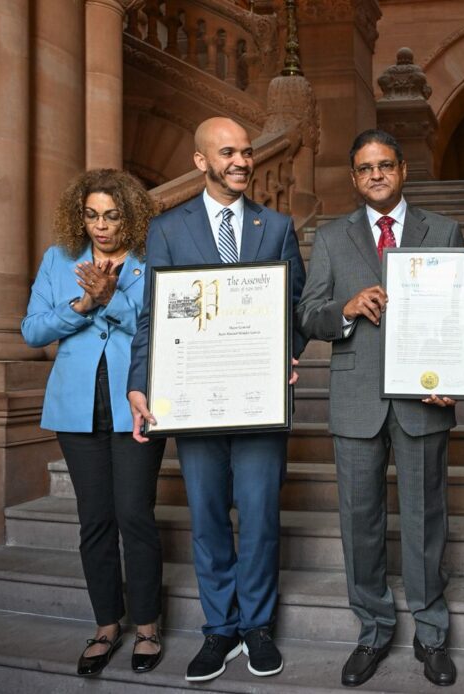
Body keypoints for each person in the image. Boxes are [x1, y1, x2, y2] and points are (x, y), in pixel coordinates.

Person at [127, 116, 306, 683]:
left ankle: (257, 626)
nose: (242, 161)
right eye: (228, 152)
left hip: (258, 399)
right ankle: (220, 629)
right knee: (206, 517)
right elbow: (153, 316)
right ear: (201, 161)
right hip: (194, 399)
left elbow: (295, 307)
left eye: (247, 152)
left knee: (259, 516)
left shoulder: (276, 226)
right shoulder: (167, 230)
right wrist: (139, 383)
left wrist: (287, 351)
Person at [297, 129, 461, 688]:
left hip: (424, 397)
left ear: (403, 169)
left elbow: (461, 311)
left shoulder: (442, 230)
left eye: (385, 165)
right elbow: (307, 314)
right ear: (353, 177)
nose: (376, 175)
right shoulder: (331, 236)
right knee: (359, 520)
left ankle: (431, 633)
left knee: (425, 519)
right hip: (356, 396)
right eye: (365, 168)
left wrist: (455, 376)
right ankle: (372, 628)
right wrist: (343, 310)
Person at [21, 168, 167, 677]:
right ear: (78, 217)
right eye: (91, 216)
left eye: (112, 215)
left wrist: (111, 298)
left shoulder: (151, 261)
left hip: (137, 404)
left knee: (135, 514)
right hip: (76, 406)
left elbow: (159, 325)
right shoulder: (58, 260)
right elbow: (32, 330)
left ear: (131, 217)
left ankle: (146, 625)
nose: (101, 226)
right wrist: (82, 305)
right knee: (95, 520)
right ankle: (107, 624)